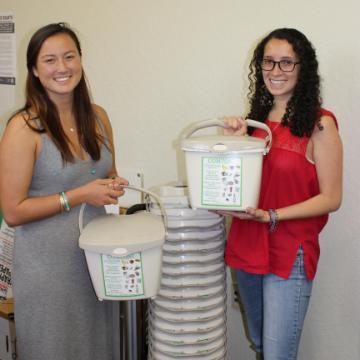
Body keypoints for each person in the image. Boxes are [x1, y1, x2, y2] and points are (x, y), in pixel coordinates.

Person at [0, 23, 128, 360]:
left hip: (97, 263)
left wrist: (113, 184)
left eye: (69, 57)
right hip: (48, 271)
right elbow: (13, 211)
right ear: (35, 71)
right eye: (50, 60)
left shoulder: (98, 118)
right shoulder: (24, 128)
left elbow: (107, 172)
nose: (62, 68)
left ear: (80, 61)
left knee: (100, 348)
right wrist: (81, 194)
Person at [220, 28, 342, 359]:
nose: (276, 72)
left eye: (286, 63)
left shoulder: (320, 124)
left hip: (290, 250)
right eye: (269, 62)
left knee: (277, 355)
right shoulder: (254, 123)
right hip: (247, 244)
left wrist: (273, 215)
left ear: (304, 67)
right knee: (260, 346)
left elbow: (331, 198)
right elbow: (237, 185)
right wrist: (231, 142)